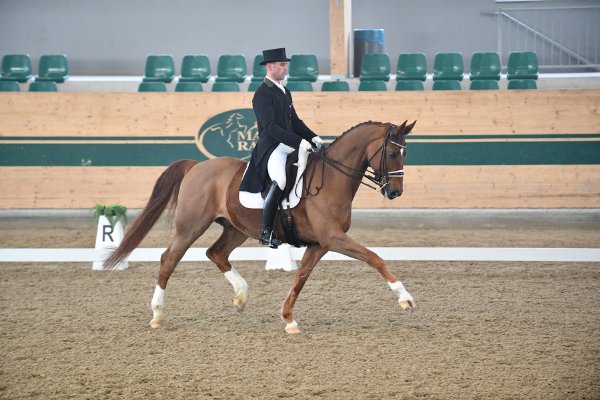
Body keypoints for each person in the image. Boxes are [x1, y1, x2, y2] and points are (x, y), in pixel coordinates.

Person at [239, 48, 323, 248]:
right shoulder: (262, 94)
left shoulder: (285, 91)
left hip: (288, 145)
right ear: (270, 67)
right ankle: (266, 231)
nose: (286, 68)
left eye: (286, 65)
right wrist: (298, 142)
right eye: (282, 65)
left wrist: (312, 137)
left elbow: (295, 122)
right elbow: (270, 127)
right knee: (281, 179)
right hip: (272, 147)